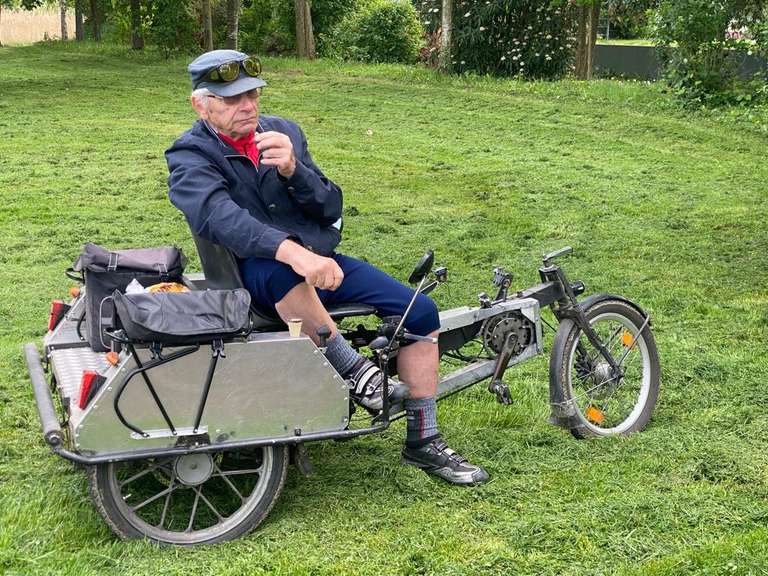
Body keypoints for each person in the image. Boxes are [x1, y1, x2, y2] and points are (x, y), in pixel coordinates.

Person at [165, 49, 489, 486]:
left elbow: (330, 206)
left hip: (318, 261)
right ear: (201, 105)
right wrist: (294, 253)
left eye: (252, 95)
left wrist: (294, 170)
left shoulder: (284, 133)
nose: (248, 106)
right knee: (282, 272)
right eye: (232, 99)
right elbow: (222, 219)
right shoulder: (189, 155)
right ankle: (355, 372)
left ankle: (423, 440)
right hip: (251, 276)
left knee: (420, 311)